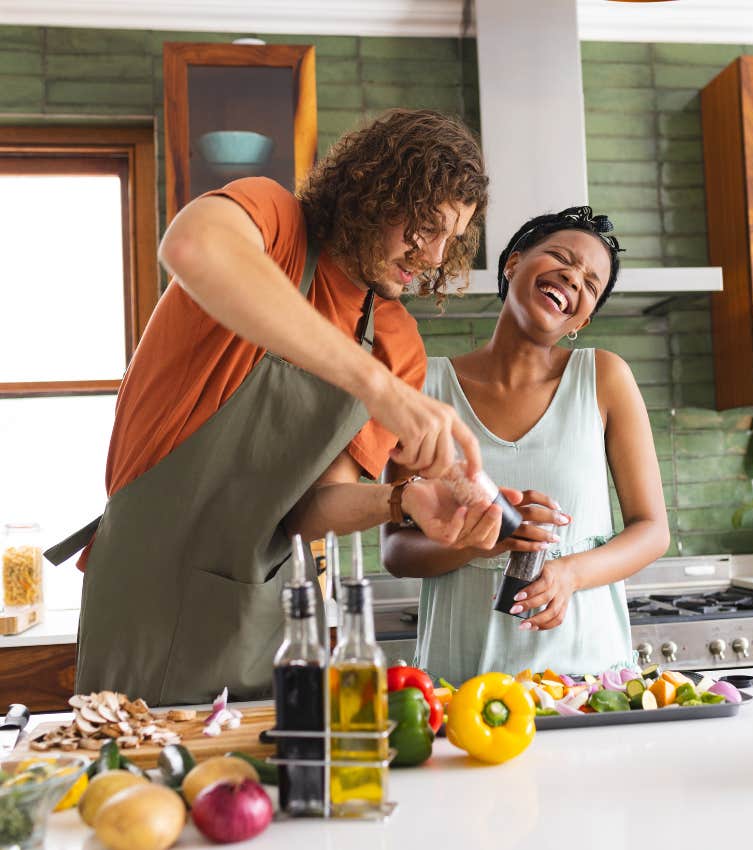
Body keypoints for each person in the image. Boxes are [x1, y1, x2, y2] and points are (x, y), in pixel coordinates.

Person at [46, 109, 504, 705]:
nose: (435, 256)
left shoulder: (395, 343)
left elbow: (309, 510)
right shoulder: (276, 227)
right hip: (146, 595)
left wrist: (404, 499)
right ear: (373, 191)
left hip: (269, 615)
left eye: (452, 237)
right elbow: (192, 245)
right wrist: (377, 388)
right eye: (423, 225)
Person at [382, 206, 670, 683]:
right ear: (513, 263)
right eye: (561, 256)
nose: (574, 278)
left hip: (585, 678)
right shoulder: (423, 385)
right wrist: (482, 541)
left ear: (584, 318)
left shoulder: (604, 377)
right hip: (461, 680)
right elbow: (395, 551)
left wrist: (571, 574)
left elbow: (652, 530)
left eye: (591, 283)